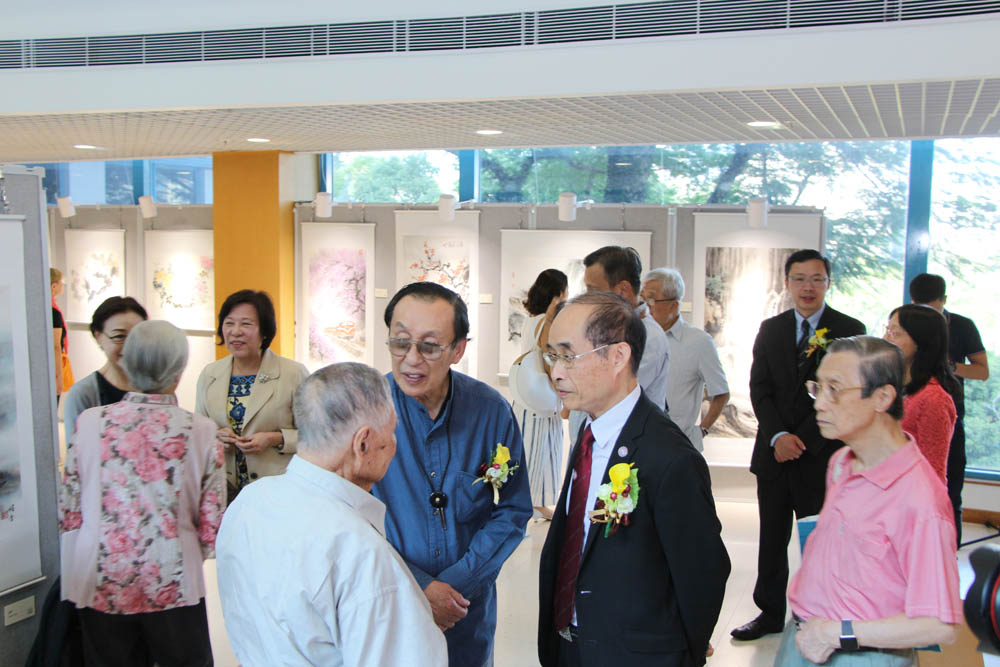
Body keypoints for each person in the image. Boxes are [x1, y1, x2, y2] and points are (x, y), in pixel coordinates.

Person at [537, 292, 730, 667]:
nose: (556, 372)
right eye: (552, 356)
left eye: (567, 356)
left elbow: (704, 573)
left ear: (617, 357)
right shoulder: (590, 435)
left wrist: (678, 654)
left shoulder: (669, 458)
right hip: (571, 644)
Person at [216, 363, 448, 666]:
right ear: (362, 444)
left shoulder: (248, 503)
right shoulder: (358, 549)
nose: (394, 444)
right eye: (391, 432)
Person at [372, 282, 532, 667]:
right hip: (388, 603)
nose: (411, 359)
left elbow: (511, 511)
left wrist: (454, 588)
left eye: (429, 346)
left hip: (465, 609)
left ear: (458, 349)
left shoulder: (490, 411)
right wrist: (422, 588)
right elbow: (347, 518)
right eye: (400, 342)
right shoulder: (367, 409)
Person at [777, 336, 960, 666]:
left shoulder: (920, 500)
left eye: (835, 389)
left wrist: (837, 633)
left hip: (859, 652)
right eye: (817, 388)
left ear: (882, 397)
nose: (819, 404)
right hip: (806, 636)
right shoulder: (842, 462)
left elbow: (939, 625)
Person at [59, 320, 224, 666]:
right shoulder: (202, 431)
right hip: (174, 579)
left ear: (128, 364)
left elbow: (70, 512)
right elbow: (211, 529)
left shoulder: (88, 422)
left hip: (101, 576)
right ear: (178, 372)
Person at [732, 249, 866, 641]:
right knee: (771, 539)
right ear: (787, 283)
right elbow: (760, 389)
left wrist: (802, 439)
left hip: (820, 455)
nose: (808, 287)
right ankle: (769, 614)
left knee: (821, 539)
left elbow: (844, 394)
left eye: (817, 279)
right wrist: (777, 436)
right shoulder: (771, 328)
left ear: (828, 283)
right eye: (800, 279)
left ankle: (820, 613)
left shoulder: (849, 329)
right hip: (774, 455)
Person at [195, 289, 308, 502]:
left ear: (264, 331)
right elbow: (198, 432)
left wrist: (276, 439)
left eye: (246, 324)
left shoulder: (293, 374)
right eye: (229, 323)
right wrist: (216, 436)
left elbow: (316, 436)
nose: (236, 331)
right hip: (224, 490)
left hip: (278, 490)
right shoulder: (210, 374)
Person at [910, 272, 989, 544]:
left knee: (948, 491)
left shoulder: (963, 326)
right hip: (910, 418)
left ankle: (947, 557)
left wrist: (948, 365)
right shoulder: (906, 324)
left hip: (949, 417)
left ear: (944, 300)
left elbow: (982, 371)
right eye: (919, 309)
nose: (926, 316)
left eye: (932, 309)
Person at [641, 267, 729, 451]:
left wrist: (702, 430)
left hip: (678, 444)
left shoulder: (699, 342)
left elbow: (721, 392)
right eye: (642, 298)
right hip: (639, 442)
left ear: (673, 305)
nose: (645, 305)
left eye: (651, 299)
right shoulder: (637, 336)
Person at [513, 268, 568, 519]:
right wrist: (563, 390)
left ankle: (537, 504)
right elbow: (549, 358)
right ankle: (534, 505)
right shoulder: (545, 321)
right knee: (538, 450)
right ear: (558, 293)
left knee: (533, 449)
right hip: (541, 400)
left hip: (529, 399)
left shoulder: (531, 319)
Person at [883, 304, 960, 484]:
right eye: (887, 330)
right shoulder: (891, 386)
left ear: (920, 341)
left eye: (895, 333)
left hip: (908, 500)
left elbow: (933, 471)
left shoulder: (934, 398)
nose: (886, 338)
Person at [62, 296, 148, 439]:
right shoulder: (83, 395)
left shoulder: (157, 388)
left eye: (137, 336)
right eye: (119, 336)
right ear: (98, 337)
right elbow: (77, 456)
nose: (130, 346)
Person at [50, 267, 73, 399]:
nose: (63, 286)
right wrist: (58, 378)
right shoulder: (53, 313)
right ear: (54, 286)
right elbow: (56, 346)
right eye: (62, 283)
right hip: (53, 368)